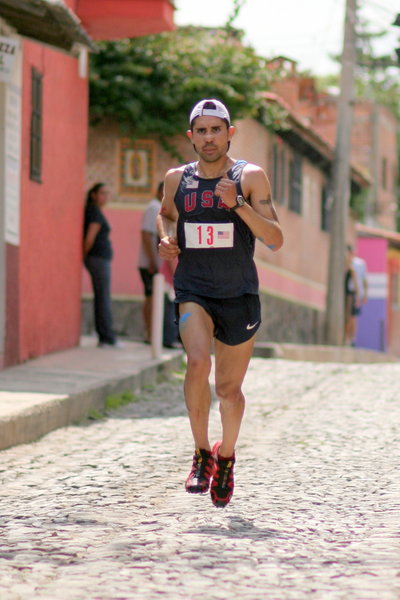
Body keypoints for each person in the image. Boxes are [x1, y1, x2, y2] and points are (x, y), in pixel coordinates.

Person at [157, 98, 283, 507]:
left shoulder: (250, 176)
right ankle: (200, 454)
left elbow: (275, 238)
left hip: (239, 294)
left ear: (230, 133)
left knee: (229, 391)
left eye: (216, 130)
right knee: (197, 361)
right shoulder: (177, 179)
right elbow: (167, 214)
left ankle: (225, 456)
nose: (208, 138)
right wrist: (167, 238)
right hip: (193, 287)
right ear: (190, 136)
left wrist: (238, 204)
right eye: (201, 130)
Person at [138, 182, 180, 347]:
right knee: (154, 300)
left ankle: (152, 335)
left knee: (154, 300)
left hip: (158, 264)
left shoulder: (166, 211)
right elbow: (147, 235)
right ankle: (152, 335)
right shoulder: (155, 208)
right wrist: (151, 261)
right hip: (154, 264)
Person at [83, 182, 118, 347]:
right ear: (93, 194)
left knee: (102, 296)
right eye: (102, 193)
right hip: (97, 258)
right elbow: (89, 238)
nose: (105, 197)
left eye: (107, 193)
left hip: (98, 258)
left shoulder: (95, 211)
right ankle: (107, 337)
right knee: (103, 297)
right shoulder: (95, 213)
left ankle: (105, 335)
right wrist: (84, 256)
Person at [345, 244, 368, 346]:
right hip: (353, 293)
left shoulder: (354, 264)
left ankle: (349, 339)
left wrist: (361, 293)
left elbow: (360, 279)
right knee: (352, 316)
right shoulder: (357, 264)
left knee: (351, 316)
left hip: (352, 293)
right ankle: (351, 338)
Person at [344, 245, 360, 346]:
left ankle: (349, 338)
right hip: (346, 293)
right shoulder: (346, 265)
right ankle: (348, 338)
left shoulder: (352, 267)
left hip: (350, 294)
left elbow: (355, 282)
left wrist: (357, 294)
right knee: (348, 316)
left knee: (350, 316)